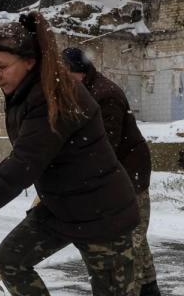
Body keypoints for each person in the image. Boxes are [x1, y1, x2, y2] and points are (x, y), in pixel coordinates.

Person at [0, 12, 140, 295]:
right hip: (62, 208)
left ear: (29, 62)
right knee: (10, 261)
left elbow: (24, 165)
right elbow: (27, 152)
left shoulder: (53, 97)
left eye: (1, 66)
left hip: (102, 214)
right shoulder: (29, 90)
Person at [63, 48, 160, 296]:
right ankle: (150, 291)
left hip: (129, 177)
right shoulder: (83, 90)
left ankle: (135, 289)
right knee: (136, 241)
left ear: (80, 73)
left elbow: (104, 146)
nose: (61, 82)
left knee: (129, 247)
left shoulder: (105, 95)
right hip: (116, 175)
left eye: (65, 75)